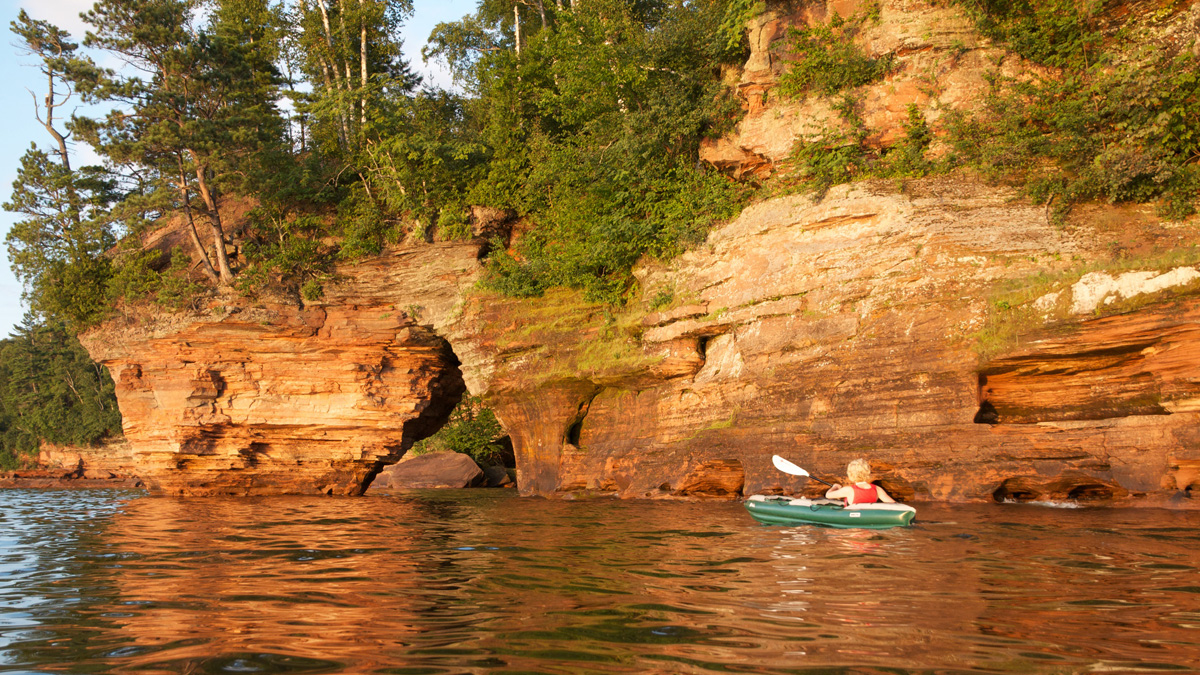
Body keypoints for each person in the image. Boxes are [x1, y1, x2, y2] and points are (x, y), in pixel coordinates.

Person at [824, 458, 896, 505]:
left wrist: (835, 487)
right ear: (868, 472)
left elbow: (828, 495)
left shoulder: (848, 490)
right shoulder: (877, 489)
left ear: (850, 474)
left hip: (854, 524)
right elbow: (894, 504)